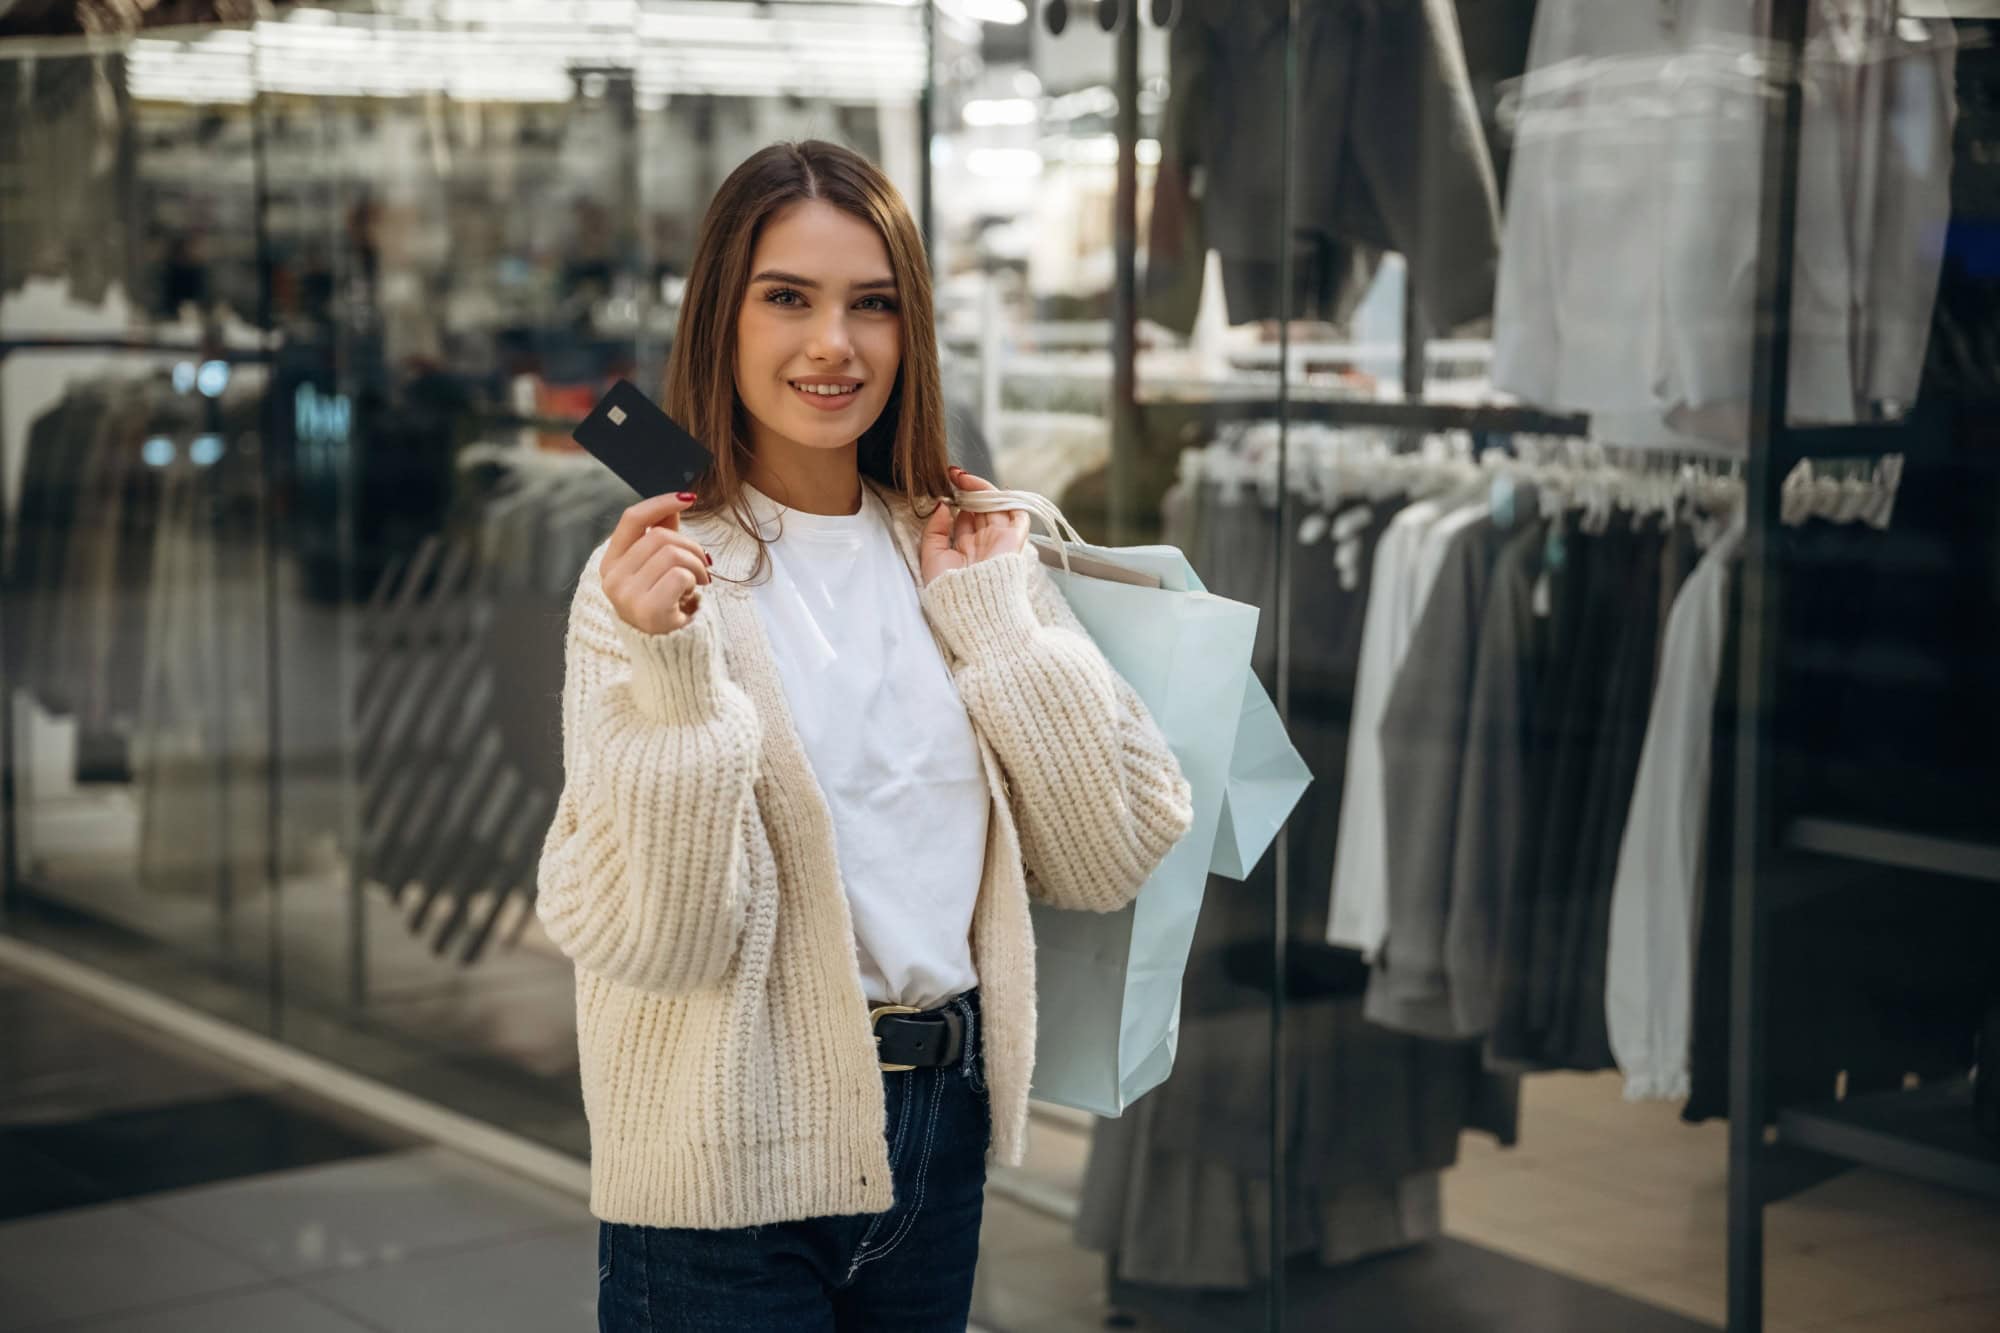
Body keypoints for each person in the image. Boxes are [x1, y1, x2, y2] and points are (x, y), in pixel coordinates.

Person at [536, 140, 1196, 1332]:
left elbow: (1110, 851)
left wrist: (994, 624)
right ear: (720, 322)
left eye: (872, 304)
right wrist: (677, 676)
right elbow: (666, 934)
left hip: (938, 1138)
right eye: (787, 297)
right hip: (716, 1150)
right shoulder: (645, 585)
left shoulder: (959, 552)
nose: (833, 343)